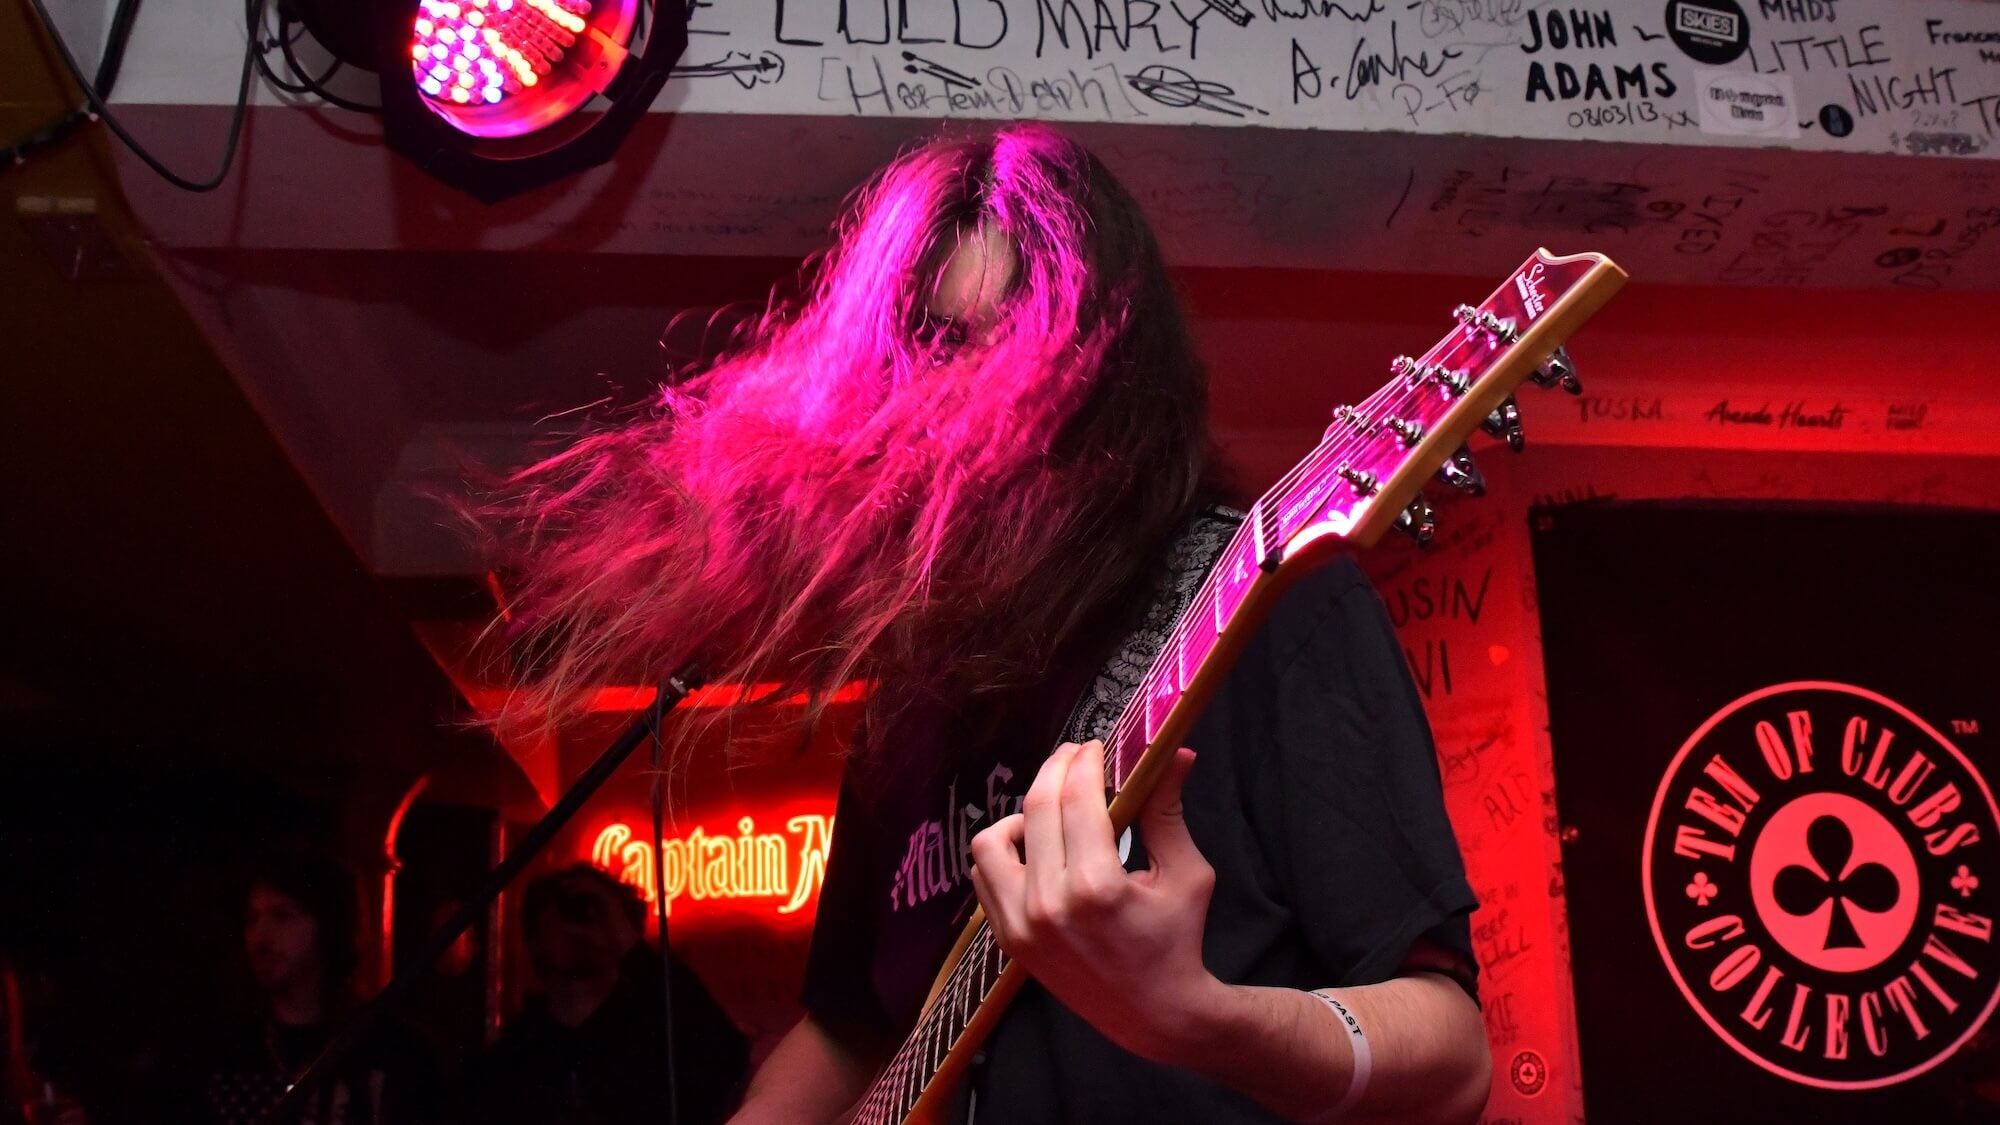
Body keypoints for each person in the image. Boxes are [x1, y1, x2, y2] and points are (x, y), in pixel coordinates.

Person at [491, 123, 1489, 1123]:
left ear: (1114, 367)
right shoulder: (917, 686)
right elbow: (846, 1026)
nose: (968, 405)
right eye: (928, 350)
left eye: (1014, 349)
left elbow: (1451, 1062)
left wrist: (1195, 1019)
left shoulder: (1268, 601)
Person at [460, 864, 747, 1124]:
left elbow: (728, 1055)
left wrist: (626, 940)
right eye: (567, 908)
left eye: (593, 909)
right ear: (534, 937)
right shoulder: (514, 1054)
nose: (582, 924)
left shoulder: (661, 1036)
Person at [183, 853, 445, 1125]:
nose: (260, 936)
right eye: (252, 919)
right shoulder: (220, 1053)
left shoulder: (395, 1052)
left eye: (282, 915)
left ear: (329, 925)